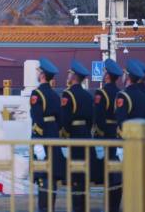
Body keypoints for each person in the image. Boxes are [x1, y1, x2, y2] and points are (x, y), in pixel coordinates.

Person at [30, 57, 65, 212]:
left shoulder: (36, 93)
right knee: (52, 175)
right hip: (53, 135)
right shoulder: (55, 95)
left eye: (38, 71)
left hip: (42, 137)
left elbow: (36, 119)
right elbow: (61, 119)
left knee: (43, 174)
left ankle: (43, 208)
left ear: (42, 75)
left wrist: (38, 142)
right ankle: (50, 207)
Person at [59, 60, 94, 212]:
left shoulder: (68, 94)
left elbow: (65, 119)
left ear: (73, 76)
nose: (67, 75)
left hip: (74, 136)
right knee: (84, 175)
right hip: (86, 135)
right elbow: (92, 118)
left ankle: (77, 207)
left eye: (69, 73)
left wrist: (64, 136)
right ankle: (84, 206)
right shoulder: (87, 95)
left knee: (75, 175)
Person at [93, 58, 122, 212]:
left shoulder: (101, 93)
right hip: (116, 134)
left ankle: (109, 206)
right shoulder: (120, 93)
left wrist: (100, 132)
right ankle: (115, 205)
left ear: (107, 76)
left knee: (106, 172)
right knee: (116, 171)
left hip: (105, 135)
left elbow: (98, 116)